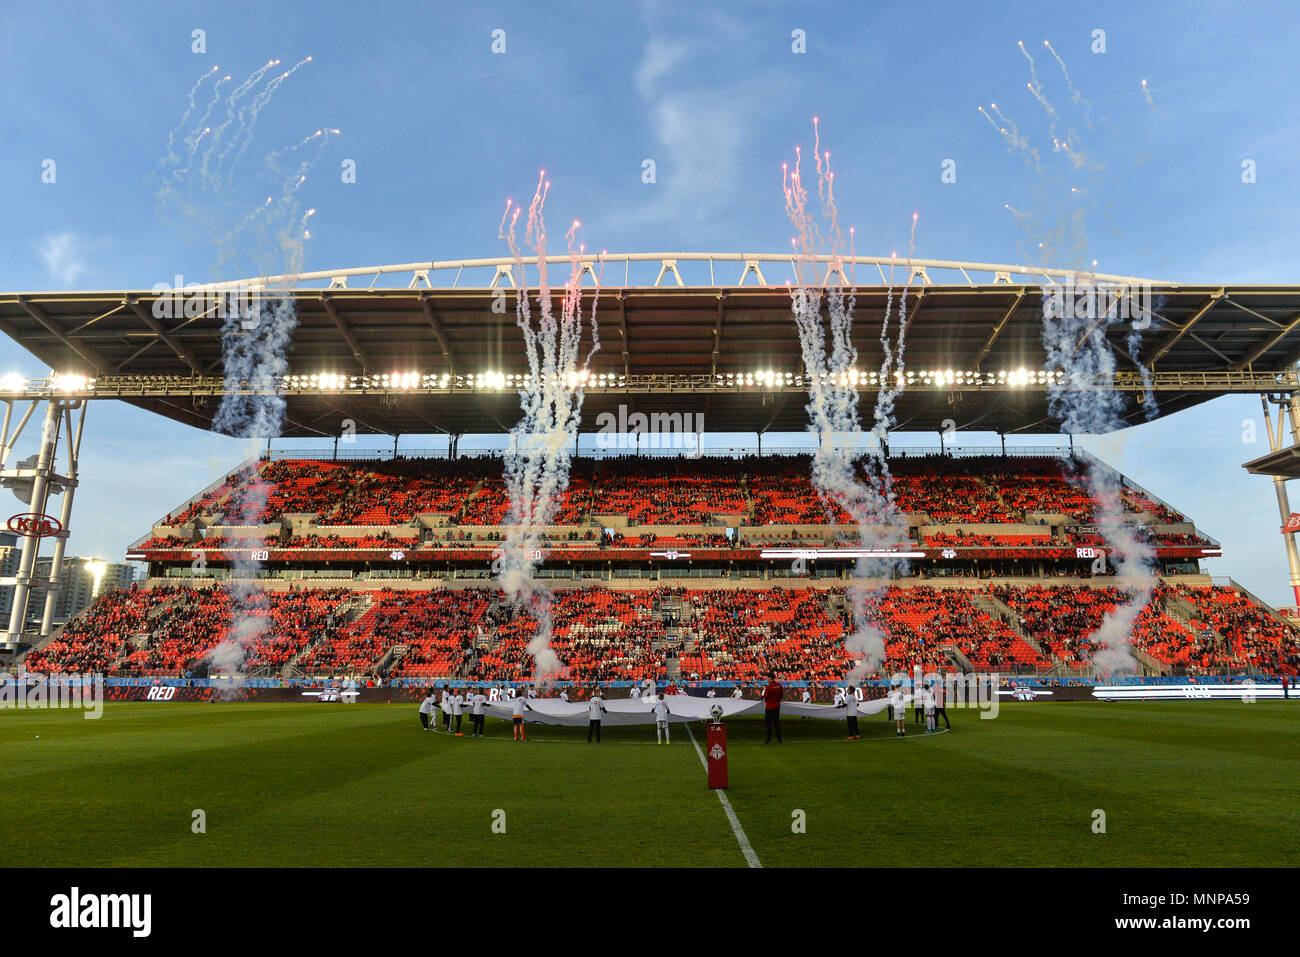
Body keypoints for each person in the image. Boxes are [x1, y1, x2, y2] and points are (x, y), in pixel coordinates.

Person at [762, 674, 783, 744]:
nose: (767, 680)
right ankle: (779, 740)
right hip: (776, 707)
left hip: (769, 707)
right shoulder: (779, 686)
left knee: (769, 725)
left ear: (770, 678)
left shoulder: (769, 687)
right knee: (777, 724)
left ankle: (768, 740)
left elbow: (765, 698)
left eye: (767, 678)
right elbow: (781, 695)